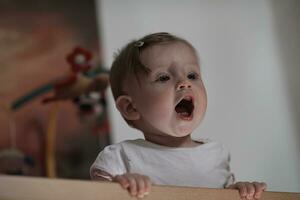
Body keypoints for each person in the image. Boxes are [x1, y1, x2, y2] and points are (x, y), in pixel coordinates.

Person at [90, 32, 267, 199]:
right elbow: (93, 194)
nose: (184, 83)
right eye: (164, 77)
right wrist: (117, 188)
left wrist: (238, 192)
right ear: (130, 107)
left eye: (192, 75)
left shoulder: (215, 153)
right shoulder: (121, 156)